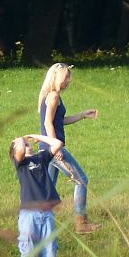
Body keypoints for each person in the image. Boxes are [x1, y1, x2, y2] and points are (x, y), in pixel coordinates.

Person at [38, 62, 100, 234]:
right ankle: (82, 223)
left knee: (48, 189)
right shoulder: (53, 96)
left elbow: (59, 121)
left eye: (69, 77)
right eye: (66, 77)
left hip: (47, 148)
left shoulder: (51, 95)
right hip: (53, 149)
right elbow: (47, 123)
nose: (68, 81)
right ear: (57, 77)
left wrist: (82, 115)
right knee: (82, 180)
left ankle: (38, 223)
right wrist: (56, 148)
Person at [10, 133, 64, 257]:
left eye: (28, 143)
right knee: (28, 252)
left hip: (47, 214)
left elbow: (57, 143)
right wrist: (20, 138)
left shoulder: (41, 158)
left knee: (50, 251)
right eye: (25, 144)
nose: (27, 145)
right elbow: (19, 150)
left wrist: (37, 136)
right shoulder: (21, 163)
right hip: (29, 215)